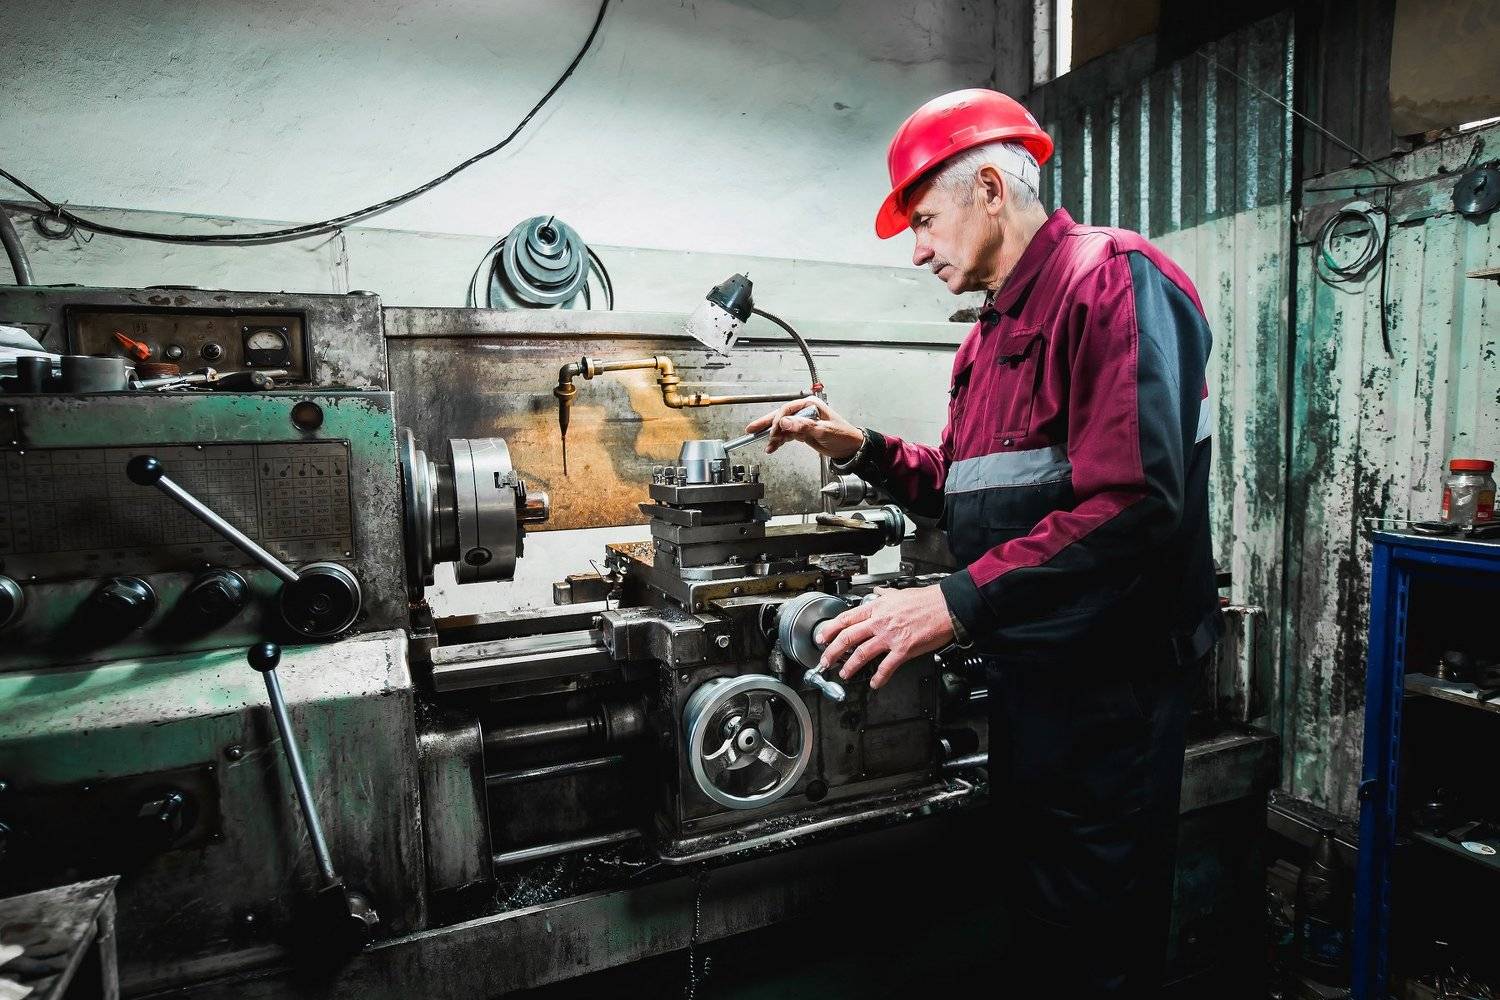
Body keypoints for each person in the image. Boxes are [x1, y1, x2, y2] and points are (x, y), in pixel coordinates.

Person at [744, 88, 1222, 996]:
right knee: (1043, 925)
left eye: (925, 221)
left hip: (1110, 692)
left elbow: (1134, 500)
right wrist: (862, 447)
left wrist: (953, 604)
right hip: (1032, 681)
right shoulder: (987, 338)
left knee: (1097, 941)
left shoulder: (1111, 280)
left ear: (992, 190)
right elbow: (967, 490)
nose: (917, 250)